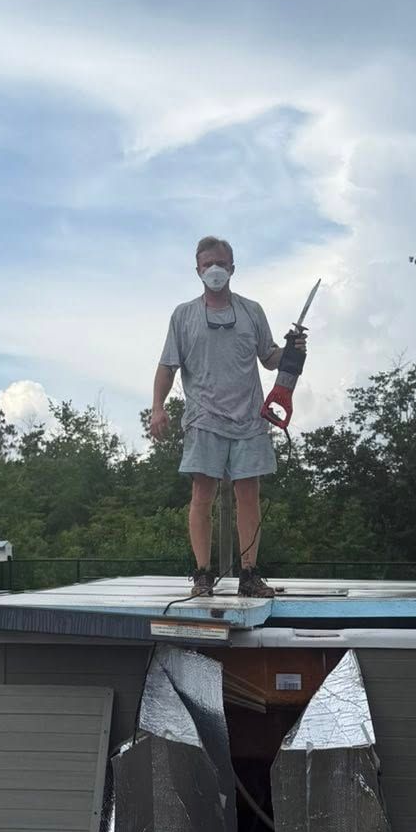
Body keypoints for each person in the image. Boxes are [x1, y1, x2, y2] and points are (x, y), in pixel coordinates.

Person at [151, 236, 301, 599]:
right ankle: (202, 574)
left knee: (248, 493)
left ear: (232, 267)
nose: (214, 269)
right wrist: (157, 407)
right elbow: (167, 365)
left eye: (220, 263)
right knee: (202, 492)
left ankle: (249, 575)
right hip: (203, 417)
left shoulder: (252, 310)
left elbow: (269, 357)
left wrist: (292, 349)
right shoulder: (183, 314)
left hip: (250, 416)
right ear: (198, 270)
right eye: (207, 264)